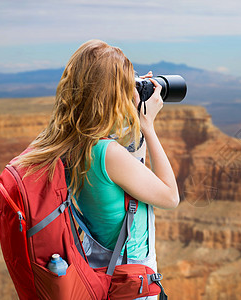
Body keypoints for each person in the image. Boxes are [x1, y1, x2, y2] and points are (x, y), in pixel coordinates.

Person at [15, 39, 179, 299]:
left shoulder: (70, 143)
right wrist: (148, 125)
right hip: (132, 284)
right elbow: (171, 197)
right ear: (112, 93)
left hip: (100, 274)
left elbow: (128, 168)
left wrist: (131, 115)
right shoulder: (109, 155)